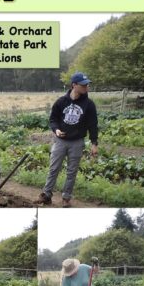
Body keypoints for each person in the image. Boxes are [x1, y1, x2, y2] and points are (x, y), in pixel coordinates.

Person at [35, 72, 98, 208]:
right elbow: (53, 119)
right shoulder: (61, 102)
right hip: (60, 141)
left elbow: (93, 125)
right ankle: (46, 195)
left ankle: (66, 198)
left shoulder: (89, 105)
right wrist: (56, 129)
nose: (87, 87)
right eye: (83, 84)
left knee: (72, 171)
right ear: (74, 85)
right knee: (53, 168)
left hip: (77, 142)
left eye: (87, 84)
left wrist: (94, 143)